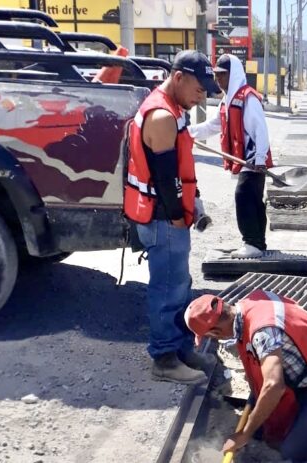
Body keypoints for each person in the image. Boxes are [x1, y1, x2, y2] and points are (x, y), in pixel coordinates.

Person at [123, 50, 221, 383]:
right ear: (178, 77)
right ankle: (164, 359)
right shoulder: (163, 117)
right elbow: (165, 179)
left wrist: (196, 201)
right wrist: (180, 215)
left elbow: (179, 169)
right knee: (167, 288)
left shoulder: (172, 108)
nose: (202, 94)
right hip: (164, 218)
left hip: (168, 215)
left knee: (179, 285)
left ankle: (179, 347)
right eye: (199, 87)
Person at [184, 290, 307, 461]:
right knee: (261, 430)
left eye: (210, 337)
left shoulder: (263, 332)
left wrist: (244, 434)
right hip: (302, 372)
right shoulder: (250, 303)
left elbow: (273, 386)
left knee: (292, 451)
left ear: (216, 331)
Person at [188, 54, 273, 259]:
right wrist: (187, 131)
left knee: (243, 197)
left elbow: (260, 129)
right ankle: (257, 243)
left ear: (233, 74)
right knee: (253, 200)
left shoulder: (247, 98)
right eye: (217, 75)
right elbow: (212, 126)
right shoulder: (227, 101)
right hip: (245, 161)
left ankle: (252, 243)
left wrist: (260, 159)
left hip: (252, 160)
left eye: (222, 75)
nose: (218, 80)